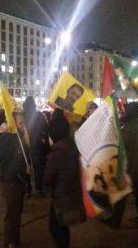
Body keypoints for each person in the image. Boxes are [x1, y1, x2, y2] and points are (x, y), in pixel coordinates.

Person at [44, 109, 85, 248]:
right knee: (63, 229)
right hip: (73, 194)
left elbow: (47, 179)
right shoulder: (73, 147)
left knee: (56, 229)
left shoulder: (56, 154)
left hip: (61, 198)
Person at [104, 102, 138, 228]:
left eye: (127, 110)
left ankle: (115, 221)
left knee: (122, 193)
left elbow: (123, 142)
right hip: (136, 165)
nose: (125, 111)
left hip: (131, 165)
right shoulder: (136, 124)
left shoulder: (132, 127)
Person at [0, 111, 30, 248]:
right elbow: (12, 162)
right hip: (12, 182)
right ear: (13, 124)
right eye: (21, 123)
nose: (23, 126)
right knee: (12, 215)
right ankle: (10, 242)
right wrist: (24, 168)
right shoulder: (8, 140)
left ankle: (15, 239)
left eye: (24, 123)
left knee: (16, 213)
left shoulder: (17, 138)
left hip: (17, 181)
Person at [23, 96, 49, 196]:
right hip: (37, 145)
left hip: (25, 145)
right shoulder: (39, 115)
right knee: (38, 168)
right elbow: (45, 129)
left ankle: (28, 188)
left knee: (26, 166)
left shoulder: (22, 115)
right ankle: (39, 188)